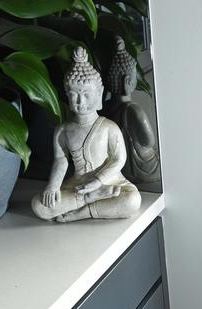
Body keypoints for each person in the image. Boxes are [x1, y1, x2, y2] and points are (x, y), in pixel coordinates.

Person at [31, 47, 141, 222]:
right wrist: (53, 186)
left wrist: (98, 180)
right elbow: (61, 160)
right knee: (39, 206)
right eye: (74, 95)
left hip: (110, 181)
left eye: (86, 95)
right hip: (78, 185)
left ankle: (82, 212)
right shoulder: (63, 129)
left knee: (133, 201)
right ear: (67, 95)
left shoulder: (109, 127)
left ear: (99, 93)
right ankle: (89, 199)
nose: (80, 101)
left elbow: (118, 159)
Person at [104, 36, 161, 184]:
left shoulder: (106, 108)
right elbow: (148, 141)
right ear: (127, 82)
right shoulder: (134, 111)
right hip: (142, 167)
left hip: (122, 168)